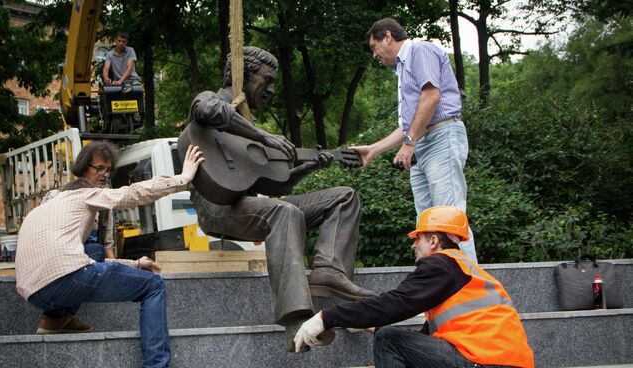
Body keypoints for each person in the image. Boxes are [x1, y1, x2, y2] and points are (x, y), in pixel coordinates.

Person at [177, 46, 377, 352]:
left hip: (251, 206)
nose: (271, 88)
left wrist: (310, 165)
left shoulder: (245, 126)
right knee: (284, 213)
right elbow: (207, 111)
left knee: (344, 198)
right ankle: (296, 323)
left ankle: (330, 271)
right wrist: (263, 136)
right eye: (266, 79)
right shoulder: (212, 100)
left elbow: (272, 186)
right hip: (217, 208)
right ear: (243, 74)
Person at [14, 141, 204, 368]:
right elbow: (133, 193)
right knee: (153, 285)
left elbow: (99, 260)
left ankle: (53, 319)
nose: (105, 175)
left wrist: (134, 264)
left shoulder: (47, 206)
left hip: (34, 292)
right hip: (65, 278)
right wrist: (182, 178)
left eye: (108, 170)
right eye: (99, 169)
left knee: (92, 250)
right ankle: (157, 365)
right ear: (84, 168)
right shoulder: (85, 194)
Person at [294, 206, 535, 368]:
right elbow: (421, 343)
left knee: (389, 338)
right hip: (502, 361)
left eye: (418, 238)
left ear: (433, 240)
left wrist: (327, 317)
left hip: (483, 361)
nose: (413, 245)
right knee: (387, 335)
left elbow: (396, 303)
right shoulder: (464, 271)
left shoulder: (441, 264)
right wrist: (370, 325)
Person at [352, 18, 477, 262]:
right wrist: (373, 150)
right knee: (428, 222)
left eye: (373, 47)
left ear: (387, 36)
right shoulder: (402, 69)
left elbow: (431, 97)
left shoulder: (419, 50)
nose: (374, 55)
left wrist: (409, 143)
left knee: (449, 218)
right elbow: (408, 126)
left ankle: (469, 287)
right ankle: (437, 280)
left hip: (441, 137)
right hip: (422, 142)